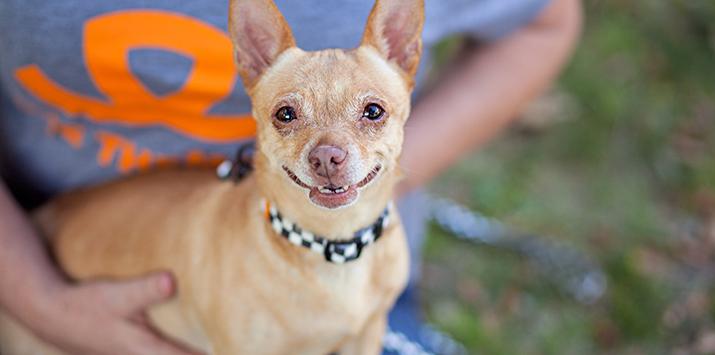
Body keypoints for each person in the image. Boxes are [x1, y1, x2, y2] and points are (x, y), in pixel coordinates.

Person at [0, 0, 582, 354]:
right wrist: (38, 299)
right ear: (252, 70)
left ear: (405, 57)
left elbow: (543, 23)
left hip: (362, 269)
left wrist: (384, 183)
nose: (330, 151)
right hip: (36, 269)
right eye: (288, 116)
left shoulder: (388, 254)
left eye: (371, 114)